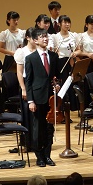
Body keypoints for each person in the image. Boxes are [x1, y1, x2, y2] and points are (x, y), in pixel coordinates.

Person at [25, 28, 59, 167]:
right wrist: (30, 100)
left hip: (51, 97)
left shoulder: (54, 56)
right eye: (41, 36)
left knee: (49, 128)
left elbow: (57, 76)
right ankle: (39, 156)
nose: (45, 39)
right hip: (38, 98)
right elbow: (29, 81)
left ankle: (48, 155)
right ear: (34, 40)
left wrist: (57, 85)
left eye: (46, 36)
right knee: (38, 128)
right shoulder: (30, 58)